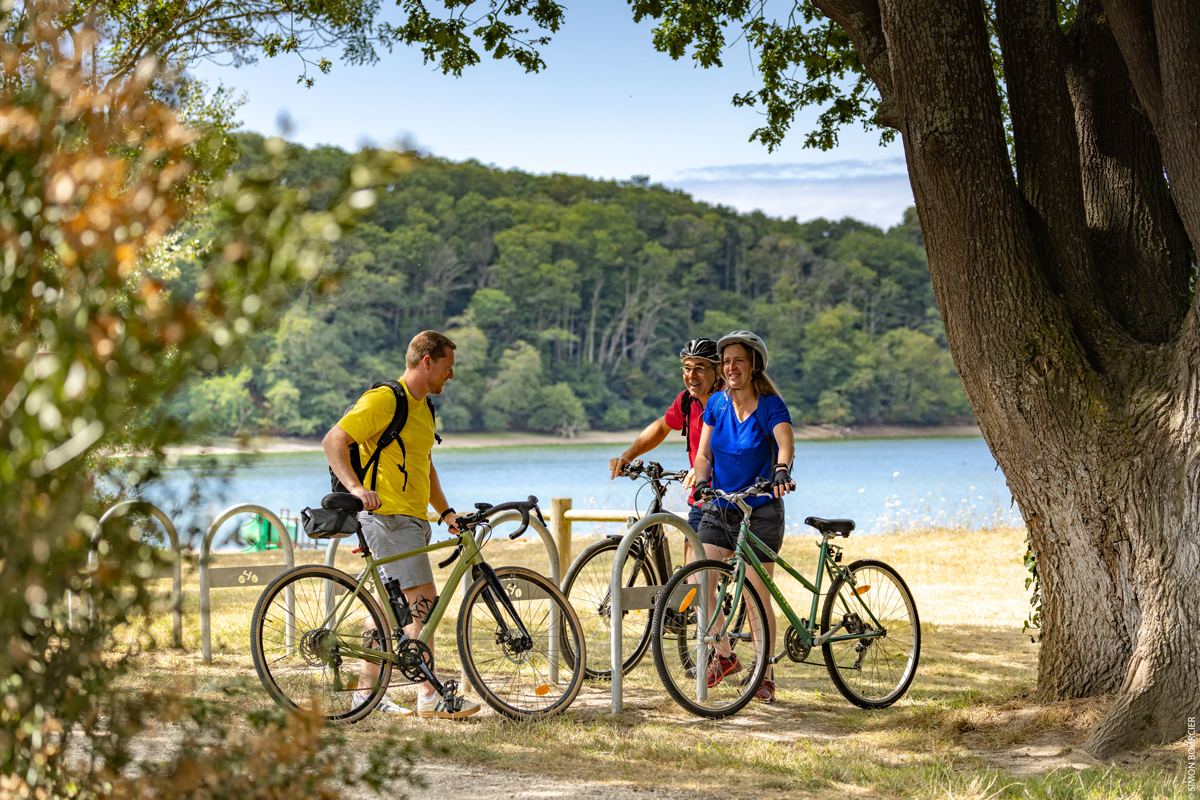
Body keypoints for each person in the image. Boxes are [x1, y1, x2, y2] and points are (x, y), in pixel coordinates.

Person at [322, 330, 480, 719]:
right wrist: (357, 489)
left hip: (412, 520)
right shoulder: (384, 399)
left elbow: (424, 465)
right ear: (427, 362)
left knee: (384, 608)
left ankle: (365, 695)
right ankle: (430, 693)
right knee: (420, 602)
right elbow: (334, 440)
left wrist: (445, 513)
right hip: (385, 517)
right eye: (448, 368)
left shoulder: (424, 408)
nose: (451, 376)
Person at [691, 330, 796, 704]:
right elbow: (704, 455)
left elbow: (784, 441)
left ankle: (765, 672)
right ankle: (723, 657)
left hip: (760, 510)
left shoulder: (770, 405)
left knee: (755, 594)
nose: (730, 367)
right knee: (700, 577)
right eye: (726, 361)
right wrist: (702, 481)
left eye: (738, 360)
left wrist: (782, 469)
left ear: (753, 366)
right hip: (719, 508)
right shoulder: (716, 405)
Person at [608, 337, 723, 531]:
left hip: (729, 497)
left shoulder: (731, 402)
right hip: (700, 497)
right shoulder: (686, 401)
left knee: (722, 560)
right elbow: (662, 427)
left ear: (718, 370)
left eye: (700, 368)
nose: (692, 375)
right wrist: (627, 457)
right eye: (687, 368)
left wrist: (705, 469)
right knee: (693, 560)